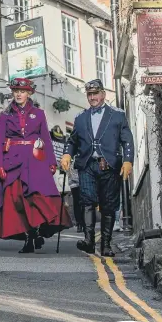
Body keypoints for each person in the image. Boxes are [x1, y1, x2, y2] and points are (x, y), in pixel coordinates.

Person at [0, 78, 72, 253]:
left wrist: (51, 162)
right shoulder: (5, 115)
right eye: (16, 91)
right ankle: (28, 236)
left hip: (35, 161)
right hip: (12, 162)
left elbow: (46, 140)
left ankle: (34, 233)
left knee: (37, 199)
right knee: (16, 200)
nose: (19, 94)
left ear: (29, 93)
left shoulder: (39, 114)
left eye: (23, 91)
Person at [60, 79, 134, 257]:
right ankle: (89, 240)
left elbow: (127, 140)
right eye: (89, 94)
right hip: (87, 165)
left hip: (109, 165)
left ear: (103, 94)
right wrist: (67, 154)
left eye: (95, 94)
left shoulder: (117, 115)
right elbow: (72, 141)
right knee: (87, 201)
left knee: (109, 205)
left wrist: (128, 160)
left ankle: (106, 245)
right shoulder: (80, 118)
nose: (92, 97)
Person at [68, 160, 84, 233]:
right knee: (77, 202)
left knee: (84, 202)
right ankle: (79, 223)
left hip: (84, 180)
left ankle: (84, 223)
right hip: (74, 182)